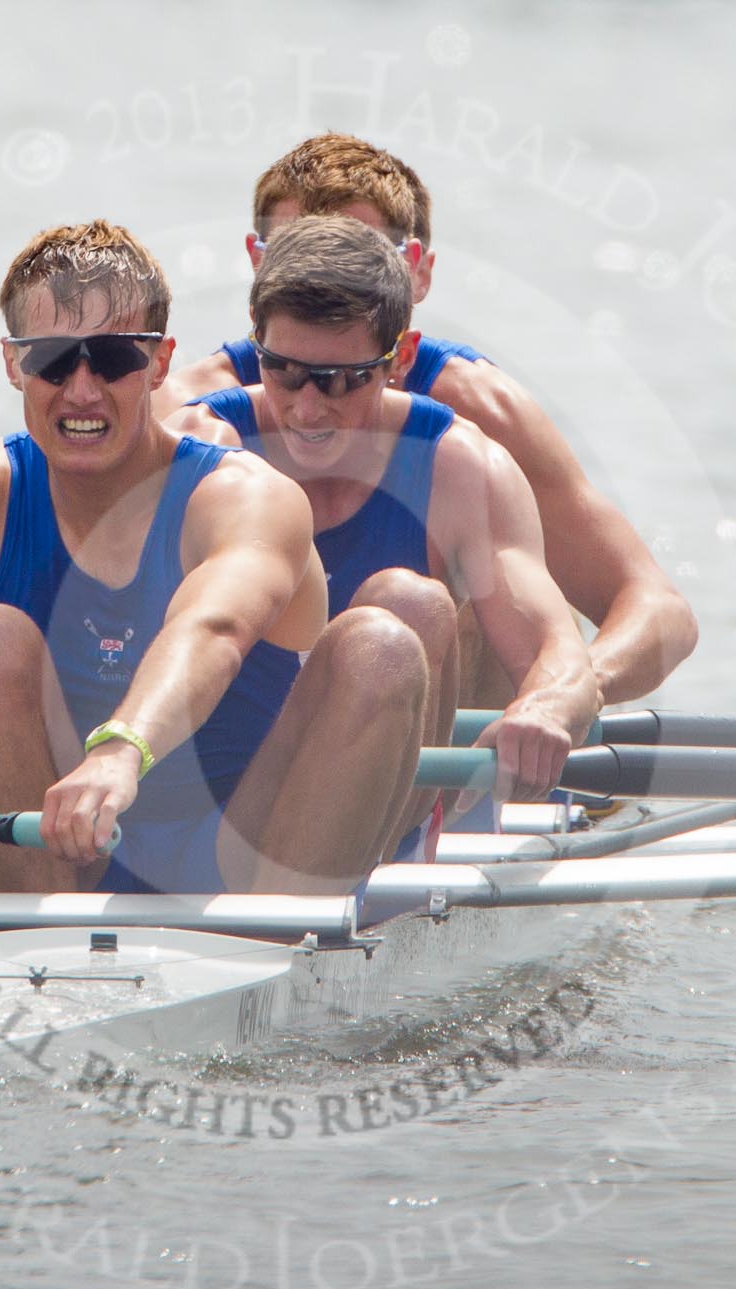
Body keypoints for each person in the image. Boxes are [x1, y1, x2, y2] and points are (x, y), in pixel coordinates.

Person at [0, 221, 431, 896]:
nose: (80, 391)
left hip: (247, 865)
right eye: (51, 359)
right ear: (12, 363)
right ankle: (32, 949)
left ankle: (293, 944)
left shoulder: (243, 499)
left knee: (382, 646)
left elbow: (211, 629)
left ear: (159, 364)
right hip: (52, 859)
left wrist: (122, 750)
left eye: (111, 360)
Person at [155, 133, 697, 709]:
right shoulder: (190, 412)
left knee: (511, 603)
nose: (328, 273)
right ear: (259, 265)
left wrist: (564, 694)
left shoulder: (477, 412)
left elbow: (657, 609)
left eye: (358, 254)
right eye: (299, 251)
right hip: (244, 744)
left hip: (439, 737)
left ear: (414, 271)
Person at [165, 214, 598, 832]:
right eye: (283, 370)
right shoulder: (198, 445)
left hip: (373, 818)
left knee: (408, 604)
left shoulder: (461, 467)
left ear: (402, 359)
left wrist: (548, 708)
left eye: (340, 379)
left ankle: (367, 867)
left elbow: (559, 649)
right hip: (212, 804)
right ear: (254, 343)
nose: (307, 407)